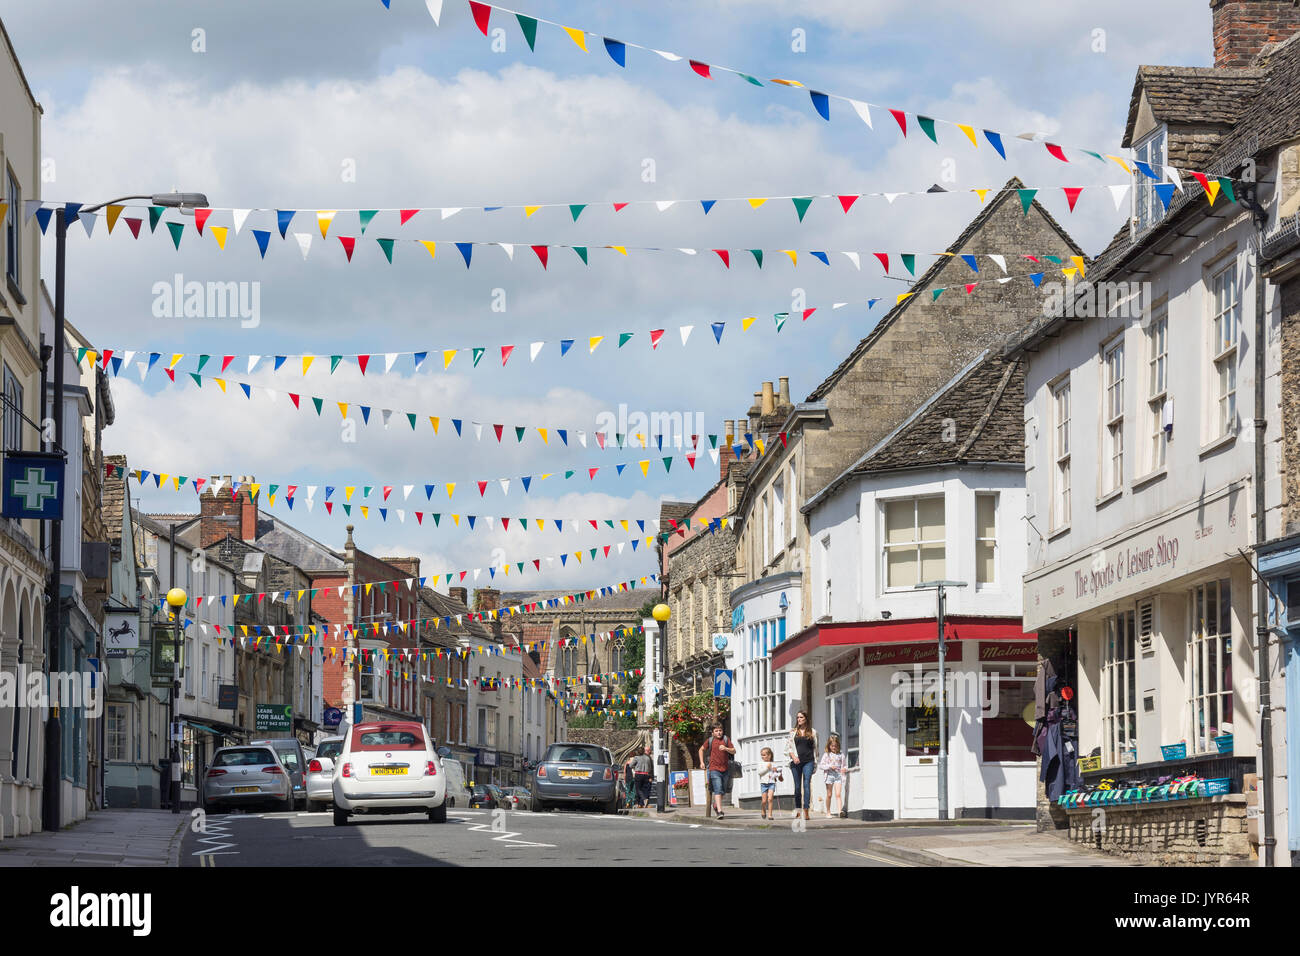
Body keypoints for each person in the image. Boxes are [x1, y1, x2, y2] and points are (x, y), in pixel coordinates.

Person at [698, 722, 736, 819]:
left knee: (723, 790)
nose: (719, 733)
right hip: (714, 769)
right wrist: (702, 762)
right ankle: (719, 811)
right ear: (713, 733)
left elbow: (734, 751)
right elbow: (701, 750)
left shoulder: (726, 739)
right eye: (716, 731)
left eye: (720, 730)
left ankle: (715, 805)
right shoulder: (710, 740)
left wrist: (726, 748)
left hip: (725, 769)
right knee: (718, 789)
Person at [786, 710, 818, 820]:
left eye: (801, 717)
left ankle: (806, 810)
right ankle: (798, 810)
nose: (799, 719)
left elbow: (815, 748)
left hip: (808, 761)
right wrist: (794, 757)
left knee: (806, 784)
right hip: (796, 763)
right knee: (798, 787)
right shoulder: (793, 732)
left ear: (806, 719)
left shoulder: (813, 732)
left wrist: (815, 761)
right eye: (798, 717)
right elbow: (788, 748)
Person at [819, 735, 846, 818]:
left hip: (838, 775)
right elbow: (821, 765)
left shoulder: (841, 755)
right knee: (829, 794)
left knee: (838, 794)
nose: (834, 747)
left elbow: (844, 766)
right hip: (829, 775)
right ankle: (828, 812)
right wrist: (830, 766)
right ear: (829, 746)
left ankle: (839, 811)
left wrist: (844, 769)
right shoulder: (827, 755)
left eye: (835, 746)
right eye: (832, 746)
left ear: (838, 745)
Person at [757, 747, 783, 820]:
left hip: (771, 783)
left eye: (764, 755)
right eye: (762, 755)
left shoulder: (773, 764)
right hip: (763, 784)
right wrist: (767, 768)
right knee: (764, 801)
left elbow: (777, 774)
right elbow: (760, 773)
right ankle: (763, 810)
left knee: (770, 799)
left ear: (769, 755)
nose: (763, 757)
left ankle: (770, 815)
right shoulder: (761, 764)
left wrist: (776, 771)